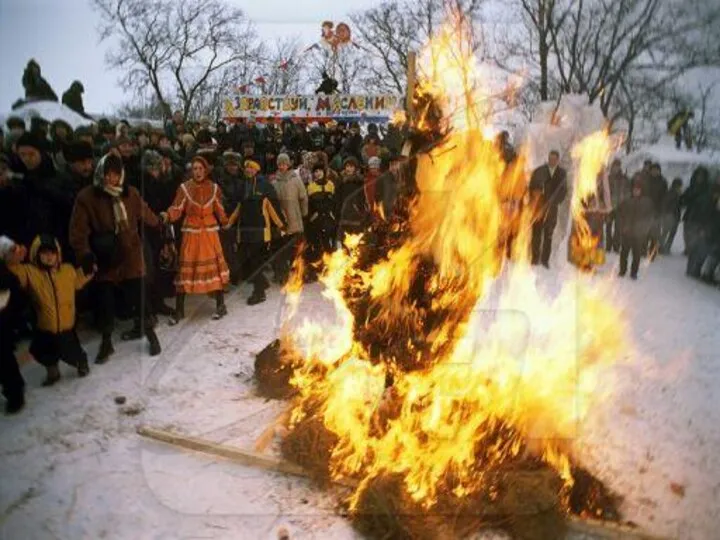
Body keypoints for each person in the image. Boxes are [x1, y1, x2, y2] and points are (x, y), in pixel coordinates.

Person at [69, 153, 162, 363]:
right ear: (101, 173)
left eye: (116, 174)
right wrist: (84, 254)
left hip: (131, 252)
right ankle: (106, 341)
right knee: (105, 300)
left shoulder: (131, 194)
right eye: (108, 174)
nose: (112, 178)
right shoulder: (87, 197)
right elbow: (78, 231)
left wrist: (158, 223)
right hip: (106, 255)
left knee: (140, 297)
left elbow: (145, 213)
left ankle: (151, 335)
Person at [7, 235, 93, 385]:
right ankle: (53, 371)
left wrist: (87, 270)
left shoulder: (67, 270)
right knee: (42, 352)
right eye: (44, 253)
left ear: (58, 254)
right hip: (44, 326)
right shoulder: (30, 272)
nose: (48, 257)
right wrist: (13, 260)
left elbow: (78, 281)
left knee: (71, 352)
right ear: (36, 254)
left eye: (52, 253)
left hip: (66, 326)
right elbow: (14, 274)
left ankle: (81, 362)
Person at [163, 155, 231, 324]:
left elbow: (219, 208)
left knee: (214, 269)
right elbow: (177, 208)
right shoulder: (184, 188)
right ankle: (179, 311)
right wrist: (167, 215)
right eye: (195, 169)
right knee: (185, 271)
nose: (198, 172)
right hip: (191, 233)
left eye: (201, 168)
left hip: (209, 233)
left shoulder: (214, 188)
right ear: (191, 171)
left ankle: (221, 305)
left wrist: (225, 221)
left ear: (206, 170)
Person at [227, 159, 286, 305]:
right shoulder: (242, 186)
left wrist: (281, 225)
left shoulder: (265, 186)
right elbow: (238, 209)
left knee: (256, 262)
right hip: (245, 231)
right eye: (246, 168)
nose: (248, 170)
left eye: (251, 168)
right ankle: (262, 283)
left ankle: (259, 293)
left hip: (260, 231)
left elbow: (273, 208)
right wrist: (228, 223)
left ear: (257, 170)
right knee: (246, 262)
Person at [271, 153, 308, 284]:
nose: (282, 166)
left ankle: (299, 272)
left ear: (288, 164)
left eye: (284, 164)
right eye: (280, 164)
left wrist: (304, 213)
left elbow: (303, 197)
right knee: (282, 249)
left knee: (297, 248)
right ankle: (282, 274)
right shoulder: (274, 181)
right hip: (281, 220)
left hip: (295, 218)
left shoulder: (296, 179)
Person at [0, 237, 25, 414]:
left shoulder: (6, 276)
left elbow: (15, 299)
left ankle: (15, 394)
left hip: (3, 325)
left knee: (4, 359)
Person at [529, 150, 567, 267]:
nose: (552, 161)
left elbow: (563, 191)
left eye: (554, 159)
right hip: (538, 207)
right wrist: (537, 195)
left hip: (552, 209)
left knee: (548, 235)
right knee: (536, 233)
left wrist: (554, 201)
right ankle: (535, 258)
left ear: (558, 160)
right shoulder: (539, 171)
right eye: (550, 158)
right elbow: (532, 187)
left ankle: (545, 260)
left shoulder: (561, 174)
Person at [617, 176, 655, 280]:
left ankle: (634, 273)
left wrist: (644, 230)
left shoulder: (647, 202)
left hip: (638, 234)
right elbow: (619, 214)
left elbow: (650, 218)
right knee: (624, 252)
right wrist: (622, 226)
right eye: (634, 189)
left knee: (636, 254)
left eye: (638, 189)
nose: (636, 191)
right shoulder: (627, 201)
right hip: (627, 231)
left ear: (641, 190)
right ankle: (622, 270)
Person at [216, 151, 245, 284]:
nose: (232, 167)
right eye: (230, 165)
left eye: (235, 165)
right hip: (226, 217)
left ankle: (240, 272)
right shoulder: (221, 180)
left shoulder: (243, 178)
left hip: (241, 217)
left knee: (240, 246)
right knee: (227, 248)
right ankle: (232, 274)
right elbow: (221, 199)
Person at [306, 162, 337, 270]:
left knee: (329, 243)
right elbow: (310, 205)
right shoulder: (311, 187)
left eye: (319, 171)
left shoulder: (330, 185)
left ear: (324, 172)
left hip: (329, 218)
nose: (318, 173)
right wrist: (312, 217)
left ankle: (330, 265)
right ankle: (320, 266)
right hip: (317, 219)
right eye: (315, 172)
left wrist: (333, 215)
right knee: (318, 243)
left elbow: (334, 202)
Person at [336, 156, 368, 246]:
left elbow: (363, 198)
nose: (349, 169)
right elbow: (337, 198)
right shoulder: (340, 182)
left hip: (356, 216)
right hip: (344, 216)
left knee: (356, 242)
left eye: (351, 166)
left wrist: (361, 211)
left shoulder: (359, 182)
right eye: (347, 166)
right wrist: (338, 211)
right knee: (343, 242)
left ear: (355, 168)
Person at [605, 159, 629, 253]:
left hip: (621, 207)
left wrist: (625, 202)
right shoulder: (607, 178)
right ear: (612, 167)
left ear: (620, 167)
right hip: (609, 207)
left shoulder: (625, 179)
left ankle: (616, 246)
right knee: (608, 227)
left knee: (618, 228)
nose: (616, 168)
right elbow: (603, 192)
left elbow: (628, 192)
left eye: (618, 166)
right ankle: (608, 245)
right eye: (614, 166)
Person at [645, 163, 668, 258]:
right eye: (653, 170)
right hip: (646, 210)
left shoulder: (663, 182)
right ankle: (642, 250)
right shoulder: (646, 180)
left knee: (655, 233)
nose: (654, 172)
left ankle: (653, 252)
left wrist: (662, 210)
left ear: (659, 171)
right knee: (645, 231)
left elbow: (665, 197)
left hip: (657, 210)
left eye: (656, 170)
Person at [660, 178, 683, 255]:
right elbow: (665, 204)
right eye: (678, 185)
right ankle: (662, 248)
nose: (679, 187)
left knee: (669, 233)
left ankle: (665, 248)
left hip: (674, 216)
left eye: (679, 186)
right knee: (667, 233)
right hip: (670, 216)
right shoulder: (671, 193)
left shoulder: (677, 193)